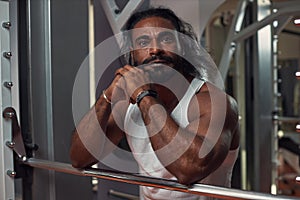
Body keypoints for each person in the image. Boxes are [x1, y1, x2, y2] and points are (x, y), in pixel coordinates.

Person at [70, 7, 240, 200]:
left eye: (166, 39)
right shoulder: (127, 106)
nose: (155, 49)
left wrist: (144, 95)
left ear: (183, 47)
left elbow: (189, 169)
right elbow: (79, 158)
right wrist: (108, 96)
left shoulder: (212, 102)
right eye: (143, 42)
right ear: (133, 55)